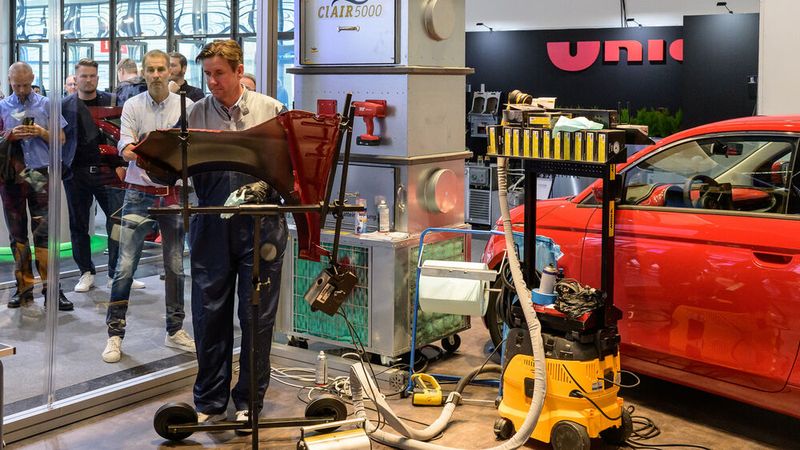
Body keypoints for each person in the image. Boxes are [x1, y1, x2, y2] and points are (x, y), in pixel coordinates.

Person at [186, 39, 287, 430]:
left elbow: (289, 169)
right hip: (211, 223)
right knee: (208, 315)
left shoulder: (271, 110)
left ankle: (249, 401)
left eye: (219, 74)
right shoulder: (194, 112)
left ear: (238, 69)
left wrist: (268, 192)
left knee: (256, 315)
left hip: (261, 225)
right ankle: (210, 400)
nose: (212, 82)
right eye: (207, 74)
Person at [102, 50, 196, 363]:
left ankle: (175, 329)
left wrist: (147, 152)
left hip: (173, 194)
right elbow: (125, 147)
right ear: (144, 73)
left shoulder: (187, 107)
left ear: (171, 71)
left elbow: (192, 153)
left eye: (161, 69)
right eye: (150, 70)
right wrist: (139, 152)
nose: (156, 75)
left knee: (175, 266)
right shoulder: (132, 105)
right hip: (138, 193)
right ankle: (114, 334)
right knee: (125, 265)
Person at [62, 58, 146, 293]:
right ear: (75, 78)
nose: (88, 80)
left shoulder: (114, 101)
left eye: (92, 76)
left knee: (118, 223)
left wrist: (121, 164)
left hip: (109, 172)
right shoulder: (65, 104)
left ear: (97, 78)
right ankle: (85, 272)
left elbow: (125, 133)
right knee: (78, 225)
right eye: (83, 76)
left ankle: (115, 273)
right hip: (76, 173)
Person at [0, 62, 73, 311]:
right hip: (12, 174)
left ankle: (52, 290)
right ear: (9, 80)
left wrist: (41, 131)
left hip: (38, 173)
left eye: (25, 84)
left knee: (44, 232)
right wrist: (9, 135)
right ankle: (23, 289)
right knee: (17, 234)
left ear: (33, 79)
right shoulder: (1, 107)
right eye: (16, 84)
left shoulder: (46, 104)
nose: (21, 89)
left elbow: (61, 139)